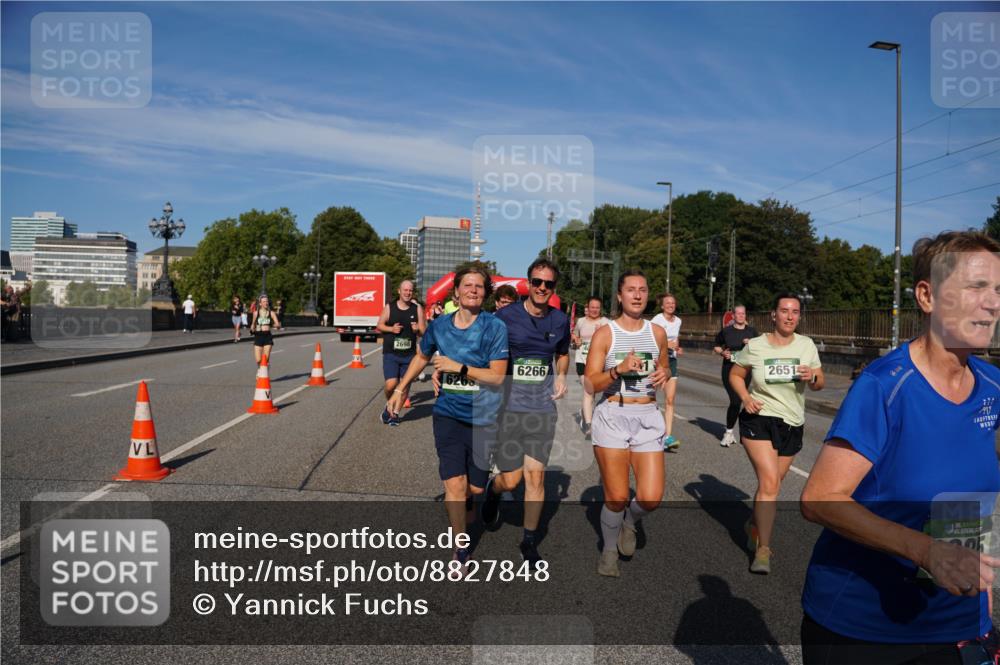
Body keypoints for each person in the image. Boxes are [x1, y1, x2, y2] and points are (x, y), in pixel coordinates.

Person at [800, 231, 1000, 664]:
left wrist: (979, 593)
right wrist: (925, 550)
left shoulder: (992, 387)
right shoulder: (884, 386)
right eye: (976, 287)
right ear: (927, 296)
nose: (992, 303)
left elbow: (971, 490)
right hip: (863, 628)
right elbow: (818, 499)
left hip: (958, 621)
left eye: (998, 290)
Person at [386, 268, 508, 576]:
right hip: (448, 413)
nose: (473, 290)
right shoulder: (440, 326)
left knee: (474, 489)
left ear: (485, 293)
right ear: (456, 291)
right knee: (454, 484)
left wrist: (458, 367)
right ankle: (461, 549)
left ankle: (483, 491)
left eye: (479, 286)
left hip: (483, 416)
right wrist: (401, 388)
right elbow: (421, 356)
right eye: (467, 285)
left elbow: (497, 376)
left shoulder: (495, 327)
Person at [481, 259, 570, 568]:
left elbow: (562, 353)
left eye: (548, 284)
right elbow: (483, 348)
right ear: (528, 283)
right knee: (511, 480)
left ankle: (529, 542)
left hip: (541, 410)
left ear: (554, 287)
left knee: (535, 477)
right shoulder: (505, 317)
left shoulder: (560, 320)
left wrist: (561, 374)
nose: (542, 288)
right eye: (537, 282)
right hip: (508, 410)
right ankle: (494, 491)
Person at [585, 270, 671, 577]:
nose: (637, 295)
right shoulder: (605, 334)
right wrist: (617, 370)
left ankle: (630, 521)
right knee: (617, 496)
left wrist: (664, 374)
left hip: (647, 416)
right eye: (631, 290)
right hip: (613, 414)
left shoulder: (657, 333)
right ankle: (609, 551)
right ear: (620, 296)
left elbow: (665, 368)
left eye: (643, 289)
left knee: (651, 498)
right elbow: (590, 384)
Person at [730, 293, 824, 574]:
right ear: (774, 315)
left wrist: (812, 377)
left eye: (795, 311)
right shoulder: (756, 345)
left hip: (792, 422)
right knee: (770, 482)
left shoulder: (806, 345)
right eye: (784, 311)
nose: (790, 316)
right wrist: (746, 398)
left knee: (772, 485)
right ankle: (763, 550)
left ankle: (754, 523)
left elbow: (820, 382)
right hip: (758, 419)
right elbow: (736, 374)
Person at [377, 280, 426, 426]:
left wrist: (417, 329)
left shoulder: (417, 308)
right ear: (399, 291)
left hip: (409, 355)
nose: (408, 293)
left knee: (404, 387)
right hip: (391, 353)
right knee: (391, 385)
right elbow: (379, 325)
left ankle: (395, 414)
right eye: (405, 290)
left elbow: (424, 332)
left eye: (410, 290)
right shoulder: (389, 307)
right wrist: (391, 329)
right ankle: (389, 404)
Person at [713, 305, 759, 447]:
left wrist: (751, 343)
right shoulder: (726, 331)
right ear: (733, 316)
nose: (740, 316)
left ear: (746, 315)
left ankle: (736, 431)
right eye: (738, 313)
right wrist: (722, 352)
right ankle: (728, 433)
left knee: (739, 400)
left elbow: (761, 348)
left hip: (745, 370)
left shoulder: (752, 332)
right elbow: (716, 346)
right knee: (735, 400)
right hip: (729, 369)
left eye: (743, 313)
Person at [571, 296, 610, 439]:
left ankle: (585, 413)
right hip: (582, 360)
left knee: (595, 392)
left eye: (597, 307)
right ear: (587, 307)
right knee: (589, 390)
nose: (594, 310)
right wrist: (575, 340)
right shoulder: (581, 321)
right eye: (592, 307)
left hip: (599, 362)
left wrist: (602, 333)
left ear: (600, 309)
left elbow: (612, 342)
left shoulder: (606, 323)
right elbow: (574, 337)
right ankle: (588, 424)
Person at [651, 293, 683, 450]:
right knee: (651, 398)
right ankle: (650, 431)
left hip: (671, 362)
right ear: (662, 306)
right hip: (657, 362)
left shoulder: (678, 321)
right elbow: (650, 339)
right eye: (668, 303)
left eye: (673, 303)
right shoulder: (657, 320)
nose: (671, 305)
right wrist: (666, 344)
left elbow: (676, 339)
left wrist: (677, 348)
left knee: (670, 400)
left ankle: (667, 437)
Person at [249, 294, 281, 365]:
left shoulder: (271, 313)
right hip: (258, 336)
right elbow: (253, 324)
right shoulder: (256, 313)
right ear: (260, 303)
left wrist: (272, 324)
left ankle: (264, 370)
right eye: (264, 301)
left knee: (265, 359)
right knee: (258, 360)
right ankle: (261, 370)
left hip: (267, 336)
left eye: (267, 301)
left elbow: (278, 325)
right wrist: (252, 329)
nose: (266, 303)